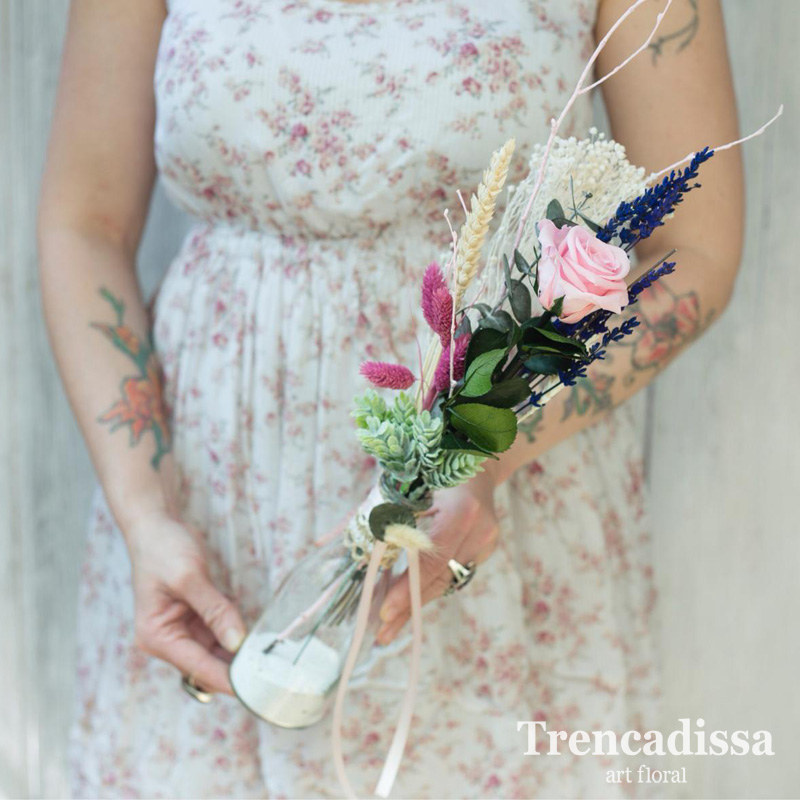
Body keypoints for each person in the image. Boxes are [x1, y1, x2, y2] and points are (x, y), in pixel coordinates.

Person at [38, 0, 742, 797]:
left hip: (499, 508)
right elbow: (84, 221)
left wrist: (486, 453)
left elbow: (695, 246)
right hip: (209, 517)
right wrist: (144, 512)